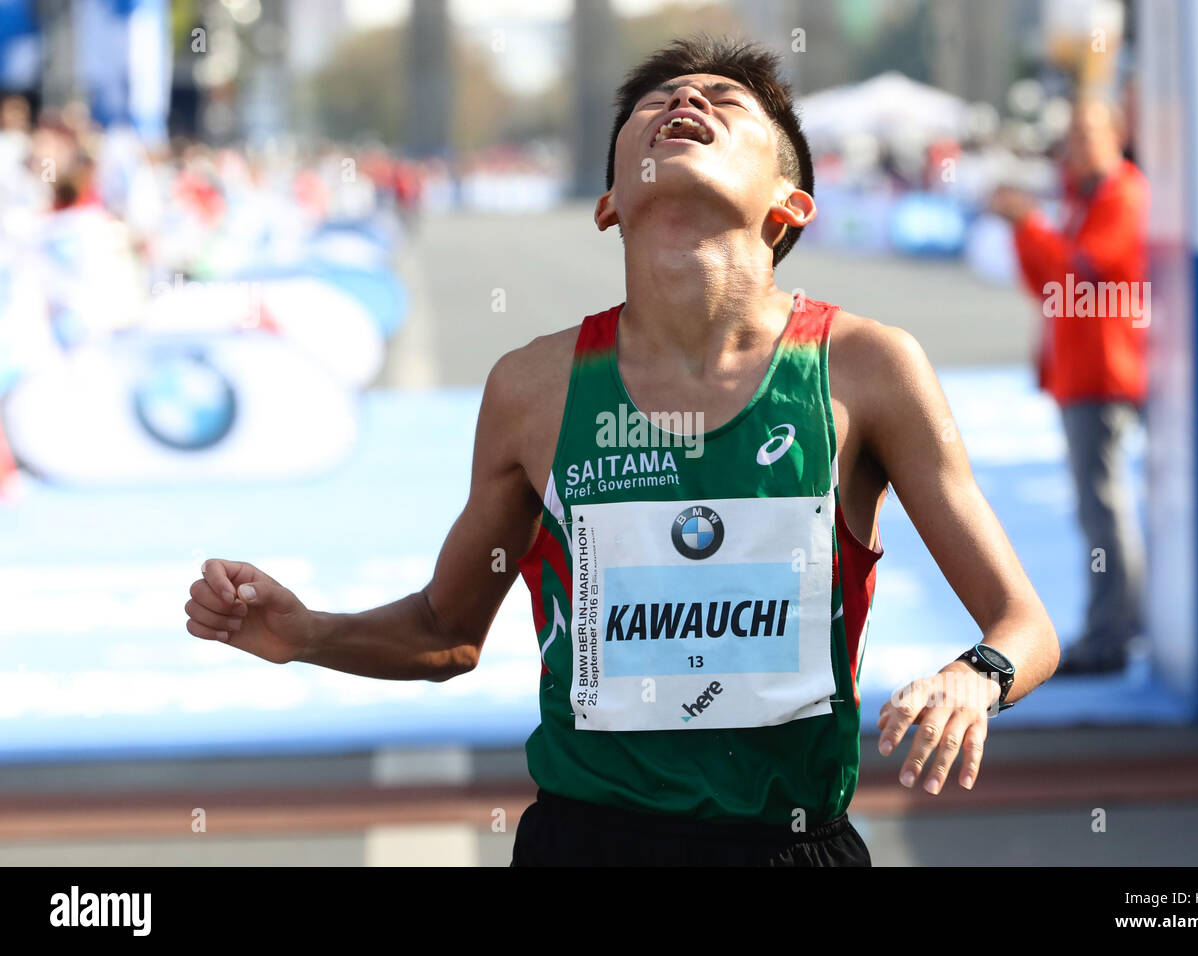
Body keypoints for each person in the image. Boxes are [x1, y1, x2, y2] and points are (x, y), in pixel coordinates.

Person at [185, 36, 1059, 866]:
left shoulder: (867, 369)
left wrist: (976, 676)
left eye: (724, 101)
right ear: (611, 203)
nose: (684, 101)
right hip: (584, 844)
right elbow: (447, 633)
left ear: (790, 205)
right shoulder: (532, 388)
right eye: (654, 103)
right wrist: (305, 633)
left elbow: (1025, 625)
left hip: (788, 845)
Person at [989, 94, 1148, 676]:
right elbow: (1050, 281)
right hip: (1087, 372)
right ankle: (1120, 625)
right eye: (1072, 136)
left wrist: (1029, 225)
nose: (1075, 147)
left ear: (1115, 134)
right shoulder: (1091, 197)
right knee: (1101, 509)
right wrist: (1026, 230)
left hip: (1105, 372)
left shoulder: (1121, 195)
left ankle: (1113, 634)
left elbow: (1079, 271)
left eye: (1086, 134)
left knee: (1103, 510)